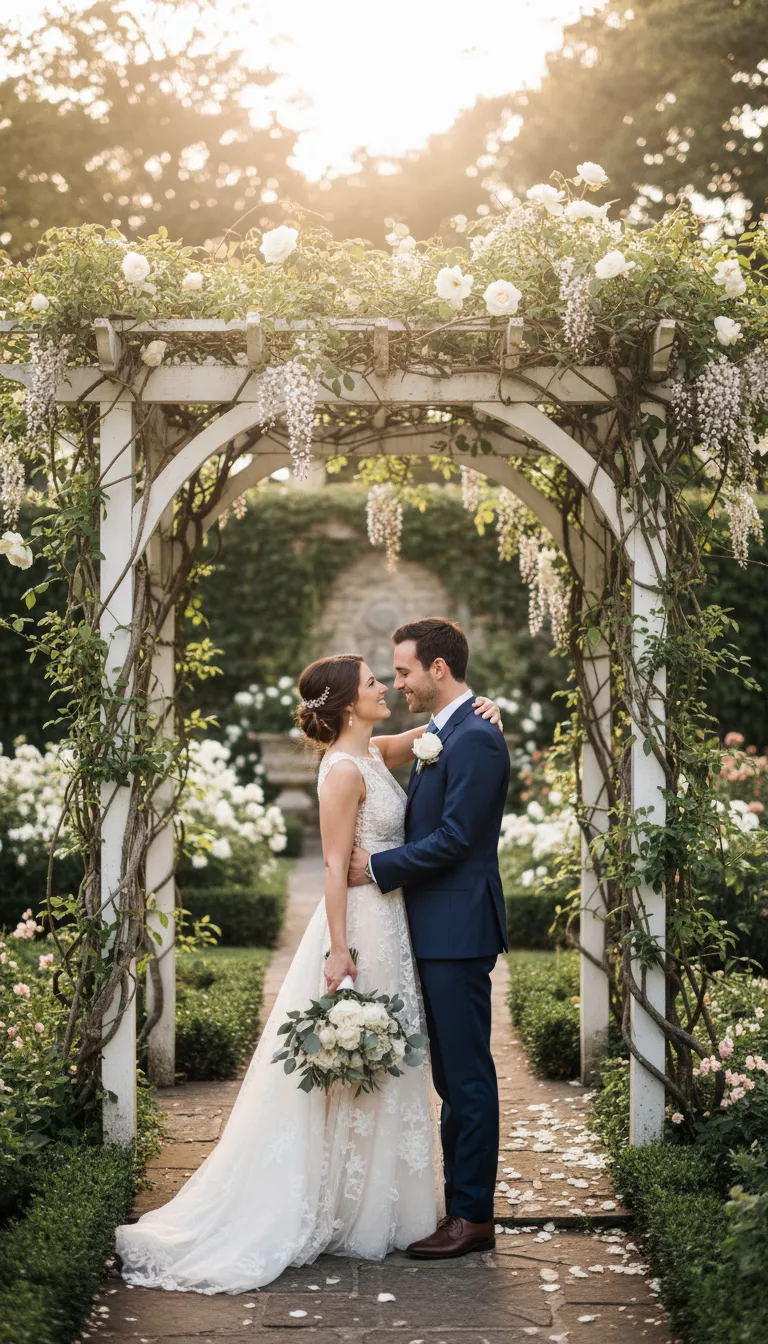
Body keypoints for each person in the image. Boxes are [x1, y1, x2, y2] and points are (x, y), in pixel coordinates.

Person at [115, 649, 503, 1294]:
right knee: (356, 1059)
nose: (387, 685)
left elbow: (444, 728)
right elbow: (330, 865)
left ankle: (374, 1204)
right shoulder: (343, 770)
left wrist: (485, 706)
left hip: (396, 921)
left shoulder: (379, 750)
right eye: (376, 681)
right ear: (349, 701)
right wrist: (339, 950)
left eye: (393, 675)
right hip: (361, 922)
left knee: (391, 1063)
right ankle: (334, 1203)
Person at [348, 618, 510, 1261]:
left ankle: (472, 1217)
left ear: (438, 669)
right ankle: (460, 1207)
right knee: (451, 1074)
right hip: (433, 927)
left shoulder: (475, 740)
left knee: (467, 1078)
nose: (398, 682)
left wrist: (377, 868)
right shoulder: (446, 732)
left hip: (457, 929)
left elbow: (458, 840)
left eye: (405, 671)